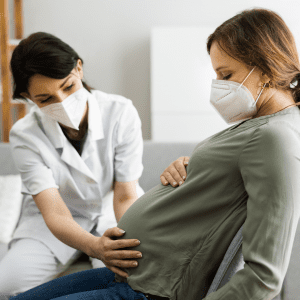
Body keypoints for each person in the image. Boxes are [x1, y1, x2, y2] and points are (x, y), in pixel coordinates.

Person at [9, 7, 300, 300]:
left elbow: (264, 278)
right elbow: (226, 182)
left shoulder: (276, 138)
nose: (218, 87)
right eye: (45, 98)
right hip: (132, 272)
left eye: (226, 74)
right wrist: (190, 165)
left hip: (152, 287)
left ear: (264, 67)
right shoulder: (256, 127)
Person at [0, 31, 171, 297]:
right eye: (45, 99)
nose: (63, 102)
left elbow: (125, 194)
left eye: (67, 87)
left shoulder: (120, 111)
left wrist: (127, 242)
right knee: (6, 285)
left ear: (78, 68)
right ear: (27, 97)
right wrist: (94, 247)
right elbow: (55, 213)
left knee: (129, 276)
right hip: (51, 222)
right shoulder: (25, 135)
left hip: (112, 209)